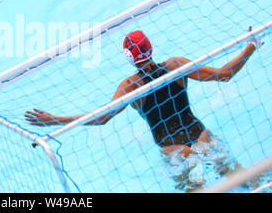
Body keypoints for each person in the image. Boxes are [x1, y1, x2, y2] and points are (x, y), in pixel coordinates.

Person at [25, 29, 263, 190]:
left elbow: (101, 119)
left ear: (129, 57)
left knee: (196, 189)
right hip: (203, 136)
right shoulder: (176, 65)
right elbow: (224, 74)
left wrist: (54, 120)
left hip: (176, 151)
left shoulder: (130, 86)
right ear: (150, 47)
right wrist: (250, 46)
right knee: (242, 177)